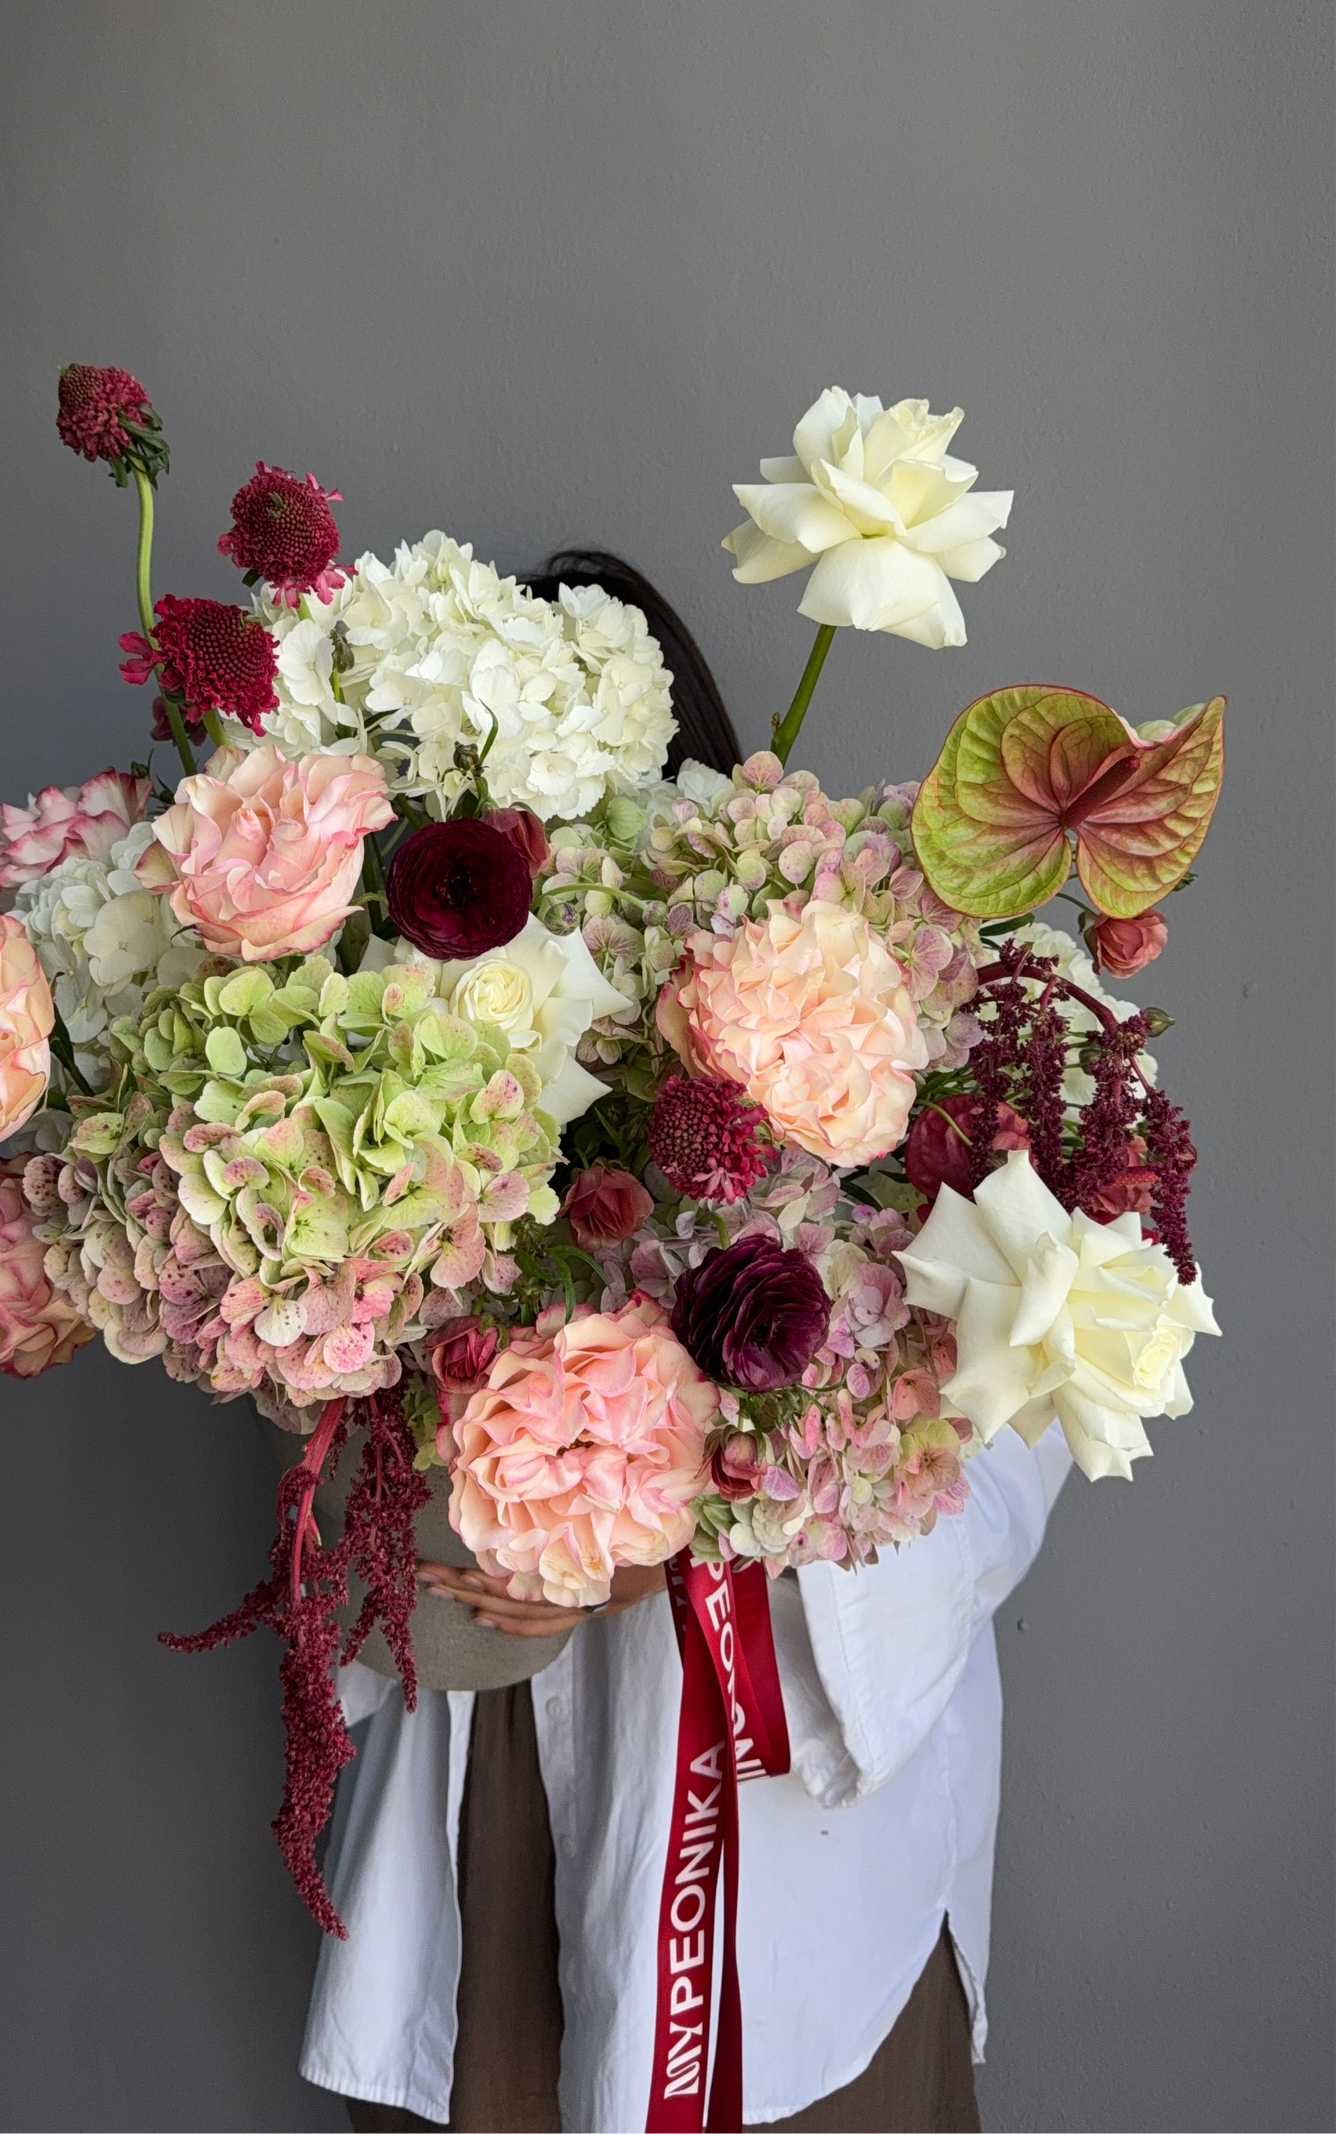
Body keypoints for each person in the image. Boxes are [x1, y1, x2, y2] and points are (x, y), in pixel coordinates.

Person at [297, 555, 1074, 2134]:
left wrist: (691, 1524)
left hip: (783, 1835)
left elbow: (1003, 1466)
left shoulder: (886, 1080)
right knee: (505, 2067)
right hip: (501, 1752)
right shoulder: (392, 1092)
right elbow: (327, 1469)